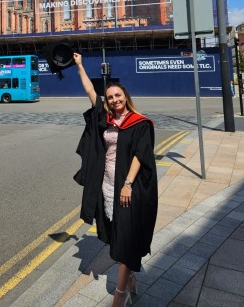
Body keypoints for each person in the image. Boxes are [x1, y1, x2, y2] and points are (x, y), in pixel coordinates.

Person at [73, 53, 158, 307]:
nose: (114, 100)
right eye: (110, 97)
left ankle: (120, 295)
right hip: (107, 186)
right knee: (116, 236)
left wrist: (128, 184)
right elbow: (90, 91)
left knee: (125, 239)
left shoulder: (139, 123)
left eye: (118, 96)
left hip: (127, 188)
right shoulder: (106, 119)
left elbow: (141, 156)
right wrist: (79, 65)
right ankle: (130, 277)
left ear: (125, 97)